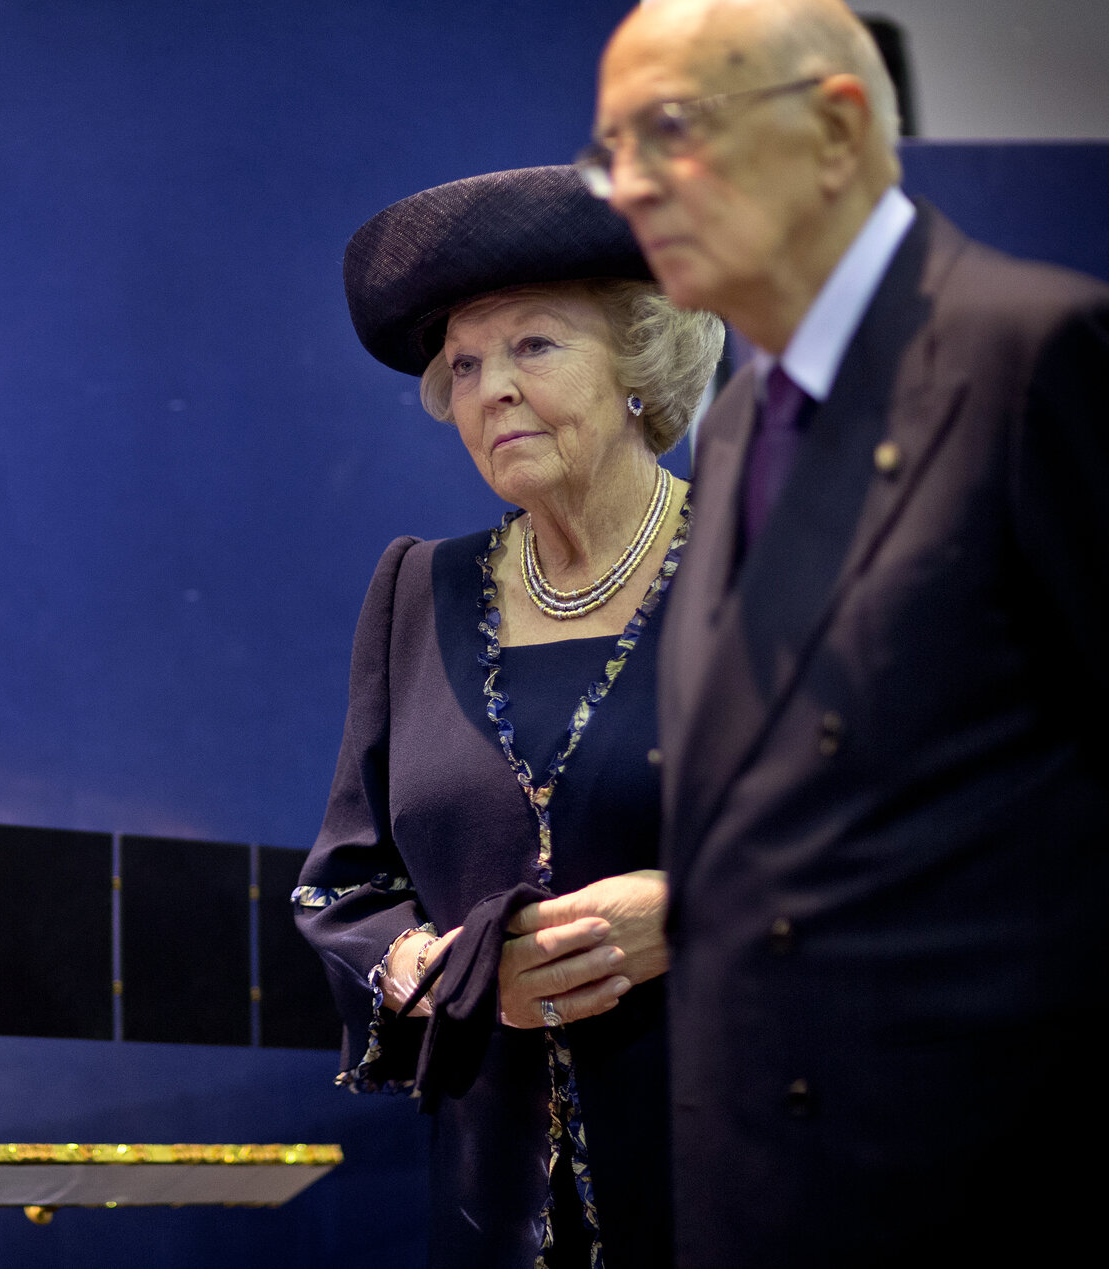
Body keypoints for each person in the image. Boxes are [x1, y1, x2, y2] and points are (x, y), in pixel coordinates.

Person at [579, 1, 1109, 1264]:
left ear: (835, 129)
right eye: (613, 152)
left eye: (669, 130)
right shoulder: (736, 422)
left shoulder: (1034, 353)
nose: (632, 187)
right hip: (751, 1194)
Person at [295, 165, 722, 1269]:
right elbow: (343, 891)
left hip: (744, 1168)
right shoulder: (415, 588)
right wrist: (442, 973)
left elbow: (918, 850)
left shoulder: (772, 564)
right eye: (466, 363)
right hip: (494, 1205)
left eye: (534, 347)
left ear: (642, 361)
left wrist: (702, 911)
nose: (487, 388)